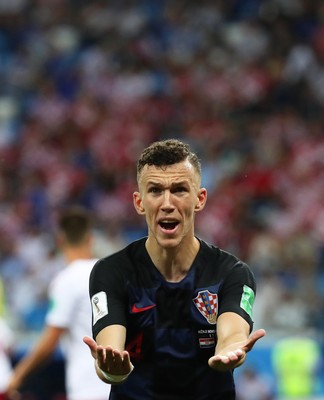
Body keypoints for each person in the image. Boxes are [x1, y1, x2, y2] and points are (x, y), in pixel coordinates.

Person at [82, 139, 266, 399]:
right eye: (155, 190)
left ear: (200, 199)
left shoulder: (231, 273)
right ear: (139, 202)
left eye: (179, 189)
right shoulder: (112, 272)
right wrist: (111, 369)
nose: (167, 203)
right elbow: (110, 348)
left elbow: (233, 333)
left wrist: (231, 350)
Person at [7, 207, 110, 400]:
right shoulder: (112, 273)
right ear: (90, 239)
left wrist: (17, 376)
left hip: (89, 387)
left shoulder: (66, 281)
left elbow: (50, 340)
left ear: (60, 241)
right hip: (120, 382)